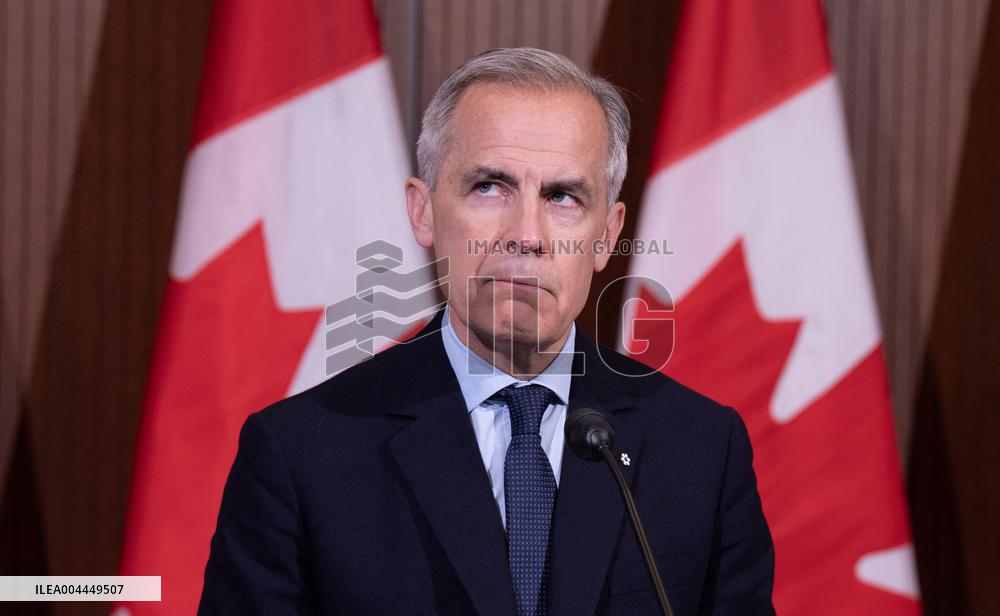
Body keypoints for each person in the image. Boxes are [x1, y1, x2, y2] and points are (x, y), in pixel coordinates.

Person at [199, 47, 775, 615]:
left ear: (606, 235)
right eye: (489, 187)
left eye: (563, 197)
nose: (527, 234)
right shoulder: (302, 456)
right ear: (423, 212)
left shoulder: (702, 449)